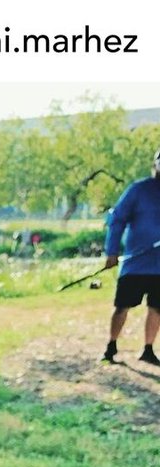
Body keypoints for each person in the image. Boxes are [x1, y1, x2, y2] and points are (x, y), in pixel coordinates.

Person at [101, 147, 160, 365]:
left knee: (157, 308)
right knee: (122, 306)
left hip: (159, 266)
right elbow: (117, 220)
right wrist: (112, 251)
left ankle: (148, 349)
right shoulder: (138, 190)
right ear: (155, 165)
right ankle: (111, 346)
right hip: (135, 263)